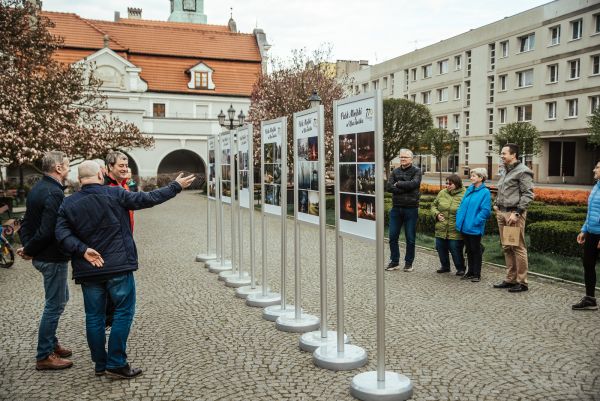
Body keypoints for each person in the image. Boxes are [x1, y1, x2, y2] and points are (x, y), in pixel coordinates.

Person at [55, 161, 195, 378]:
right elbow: (147, 199)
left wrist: (83, 250)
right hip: (118, 267)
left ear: (79, 179)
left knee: (94, 316)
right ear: (101, 173)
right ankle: (116, 363)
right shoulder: (115, 194)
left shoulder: (67, 203)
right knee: (123, 312)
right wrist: (175, 186)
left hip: (88, 268)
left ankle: (100, 364)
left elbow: (61, 234)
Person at [17, 151, 73, 370]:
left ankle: (52, 342)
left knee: (60, 299)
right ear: (58, 168)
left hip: (43, 254)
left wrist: (28, 247)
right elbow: (48, 231)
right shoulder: (54, 193)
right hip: (51, 257)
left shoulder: (39, 187)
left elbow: (28, 224)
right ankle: (44, 355)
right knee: (55, 304)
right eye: (67, 165)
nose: (69, 169)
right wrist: (29, 249)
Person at [492, 143, 534, 293]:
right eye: (501, 154)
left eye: (504, 153)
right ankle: (510, 279)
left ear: (513, 155)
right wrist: (496, 204)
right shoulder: (505, 171)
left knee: (518, 247)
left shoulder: (523, 171)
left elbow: (528, 194)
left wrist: (517, 213)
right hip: (502, 213)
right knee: (507, 247)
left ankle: (522, 282)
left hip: (513, 214)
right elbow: (502, 190)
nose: (502, 156)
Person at [386, 148, 422, 272]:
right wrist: (405, 186)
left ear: (411, 159)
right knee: (392, 237)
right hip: (396, 208)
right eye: (401, 157)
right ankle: (394, 261)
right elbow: (389, 187)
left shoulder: (417, 171)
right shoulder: (395, 171)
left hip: (411, 209)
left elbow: (414, 184)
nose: (402, 159)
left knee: (410, 238)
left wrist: (399, 184)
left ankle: (408, 263)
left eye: (405, 157)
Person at [455, 168, 491, 282]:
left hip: (474, 227)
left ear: (481, 178)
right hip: (465, 226)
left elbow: (485, 211)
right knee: (469, 250)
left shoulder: (485, 192)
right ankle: (470, 272)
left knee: (476, 250)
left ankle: (477, 274)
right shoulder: (469, 189)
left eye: (474, 176)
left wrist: (476, 222)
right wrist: (459, 218)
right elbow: (462, 205)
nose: (471, 178)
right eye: (471, 175)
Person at [573, 161, 600, 310]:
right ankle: (590, 299)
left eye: (597, 167)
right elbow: (591, 212)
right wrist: (584, 230)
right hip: (591, 232)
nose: (593, 169)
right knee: (588, 264)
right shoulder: (596, 187)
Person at [431, 174, 466, 275]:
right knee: (440, 247)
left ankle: (460, 268)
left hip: (455, 228)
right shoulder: (442, 193)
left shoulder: (465, 194)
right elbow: (433, 205)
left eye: (450, 183)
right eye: (446, 183)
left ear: (457, 184)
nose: (447, 185)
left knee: (455, 248)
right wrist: (437, 214)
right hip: (441, 226)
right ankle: (445, 267)